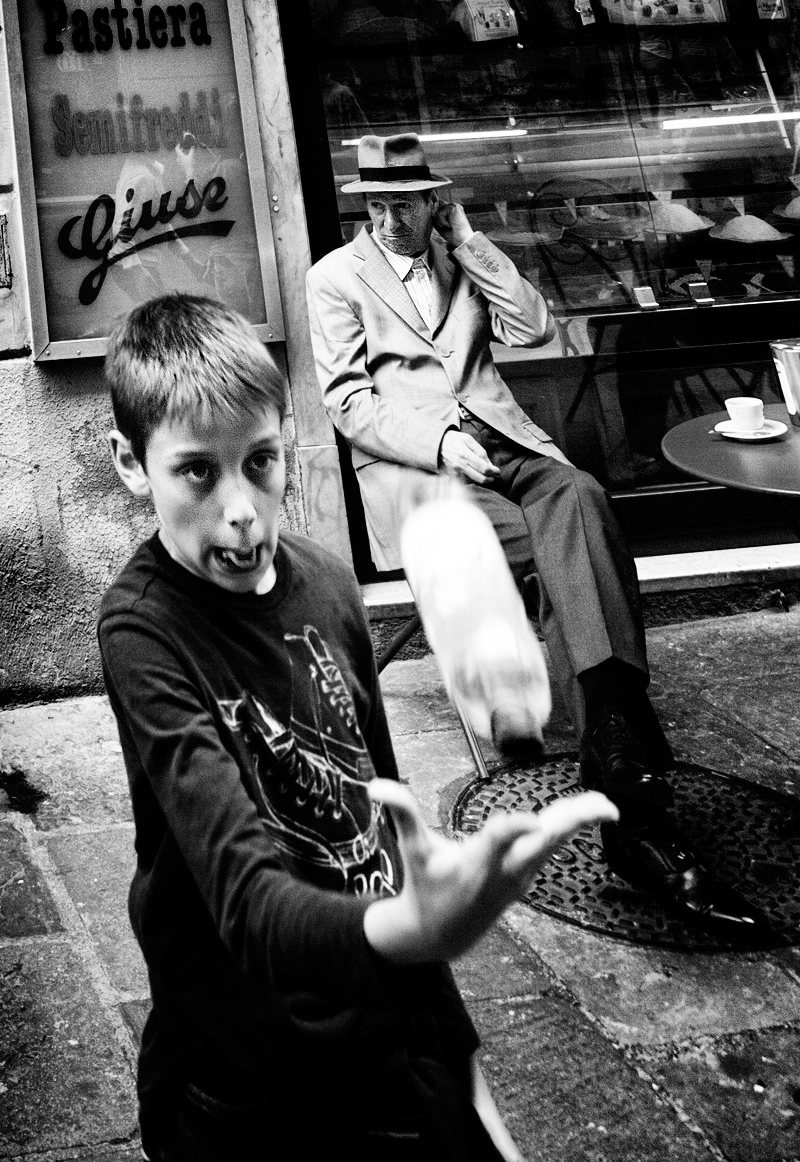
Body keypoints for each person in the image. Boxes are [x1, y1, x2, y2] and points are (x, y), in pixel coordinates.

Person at [98, 292, 616, 1162]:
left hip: (384, 1032)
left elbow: (385, 832)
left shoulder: (331, 587)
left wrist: (461, 1056)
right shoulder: (144, 632)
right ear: (130, 463)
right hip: (245, 1079)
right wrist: (413, 931)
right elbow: (248, 904)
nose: (241, 509)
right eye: (197, 470)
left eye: (260, 461)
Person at [305, 132, 770, 943]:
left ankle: (612, 753)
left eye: (403, 205)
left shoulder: (460, 256)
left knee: (582, 498)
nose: (386, 220)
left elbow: (533, 326)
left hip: (509, 447)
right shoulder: (333, 279)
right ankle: (633, 794)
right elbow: (346, 402)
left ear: (432, 201)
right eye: (374, 205)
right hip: (427, 470)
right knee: (553, 555)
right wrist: (440, 443)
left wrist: (471, 242)